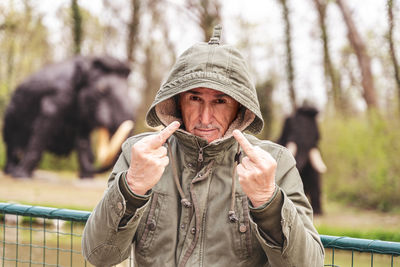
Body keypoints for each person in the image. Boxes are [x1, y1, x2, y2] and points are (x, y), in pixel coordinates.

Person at [82, 25, 324, 267]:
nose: (205, 117)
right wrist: (132, 187)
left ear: (240, 107)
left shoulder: (275, 163)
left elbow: (310, 264)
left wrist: (268, 201)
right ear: (176, 101)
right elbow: (99, 255)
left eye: (220, 101)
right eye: (195, 98)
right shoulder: (140, 154)